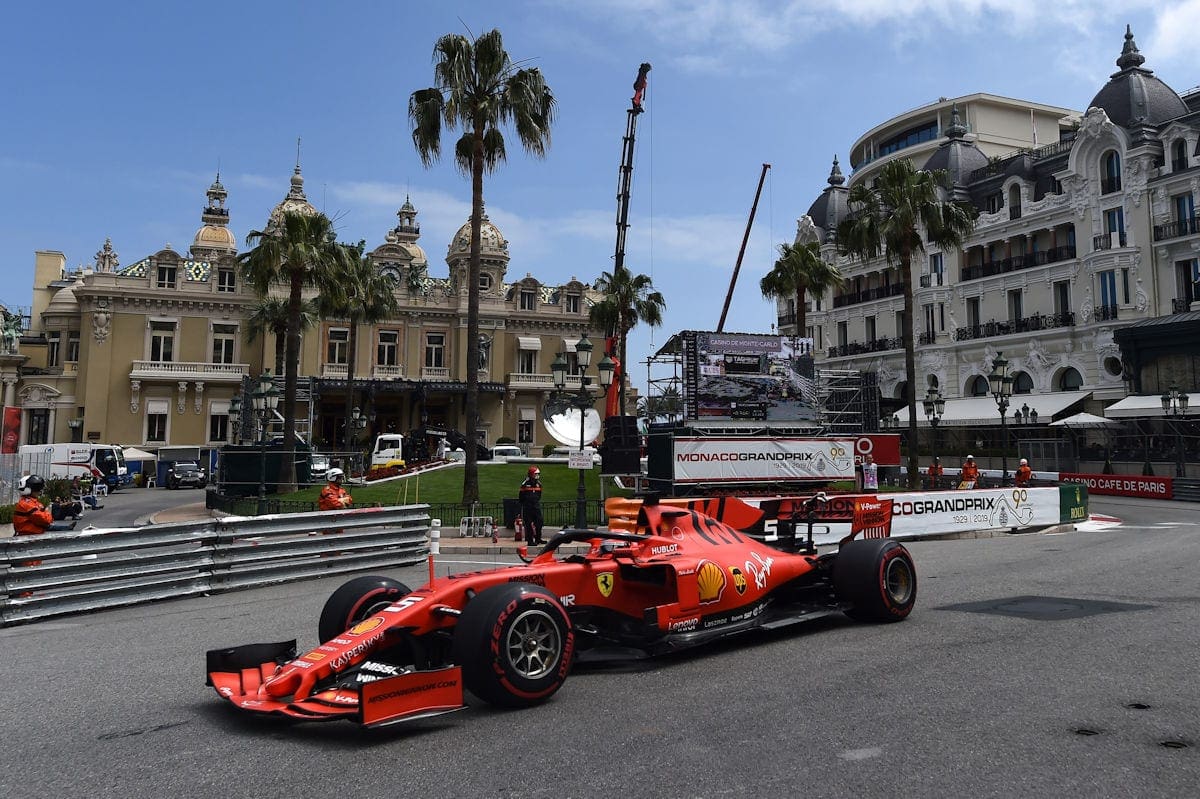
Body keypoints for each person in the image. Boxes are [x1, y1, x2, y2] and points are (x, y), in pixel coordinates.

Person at [519, 466, 545, 545]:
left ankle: (538, 538)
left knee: (539, 522)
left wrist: (535, 501)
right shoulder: (525, 483)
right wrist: (526, 503)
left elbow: (539, 495)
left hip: (536, 506)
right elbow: (521, 496)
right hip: (528, 507)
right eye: (535, 474)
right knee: (528, 524)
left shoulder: (538, 484)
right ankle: (530, 541)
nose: (537, 476)